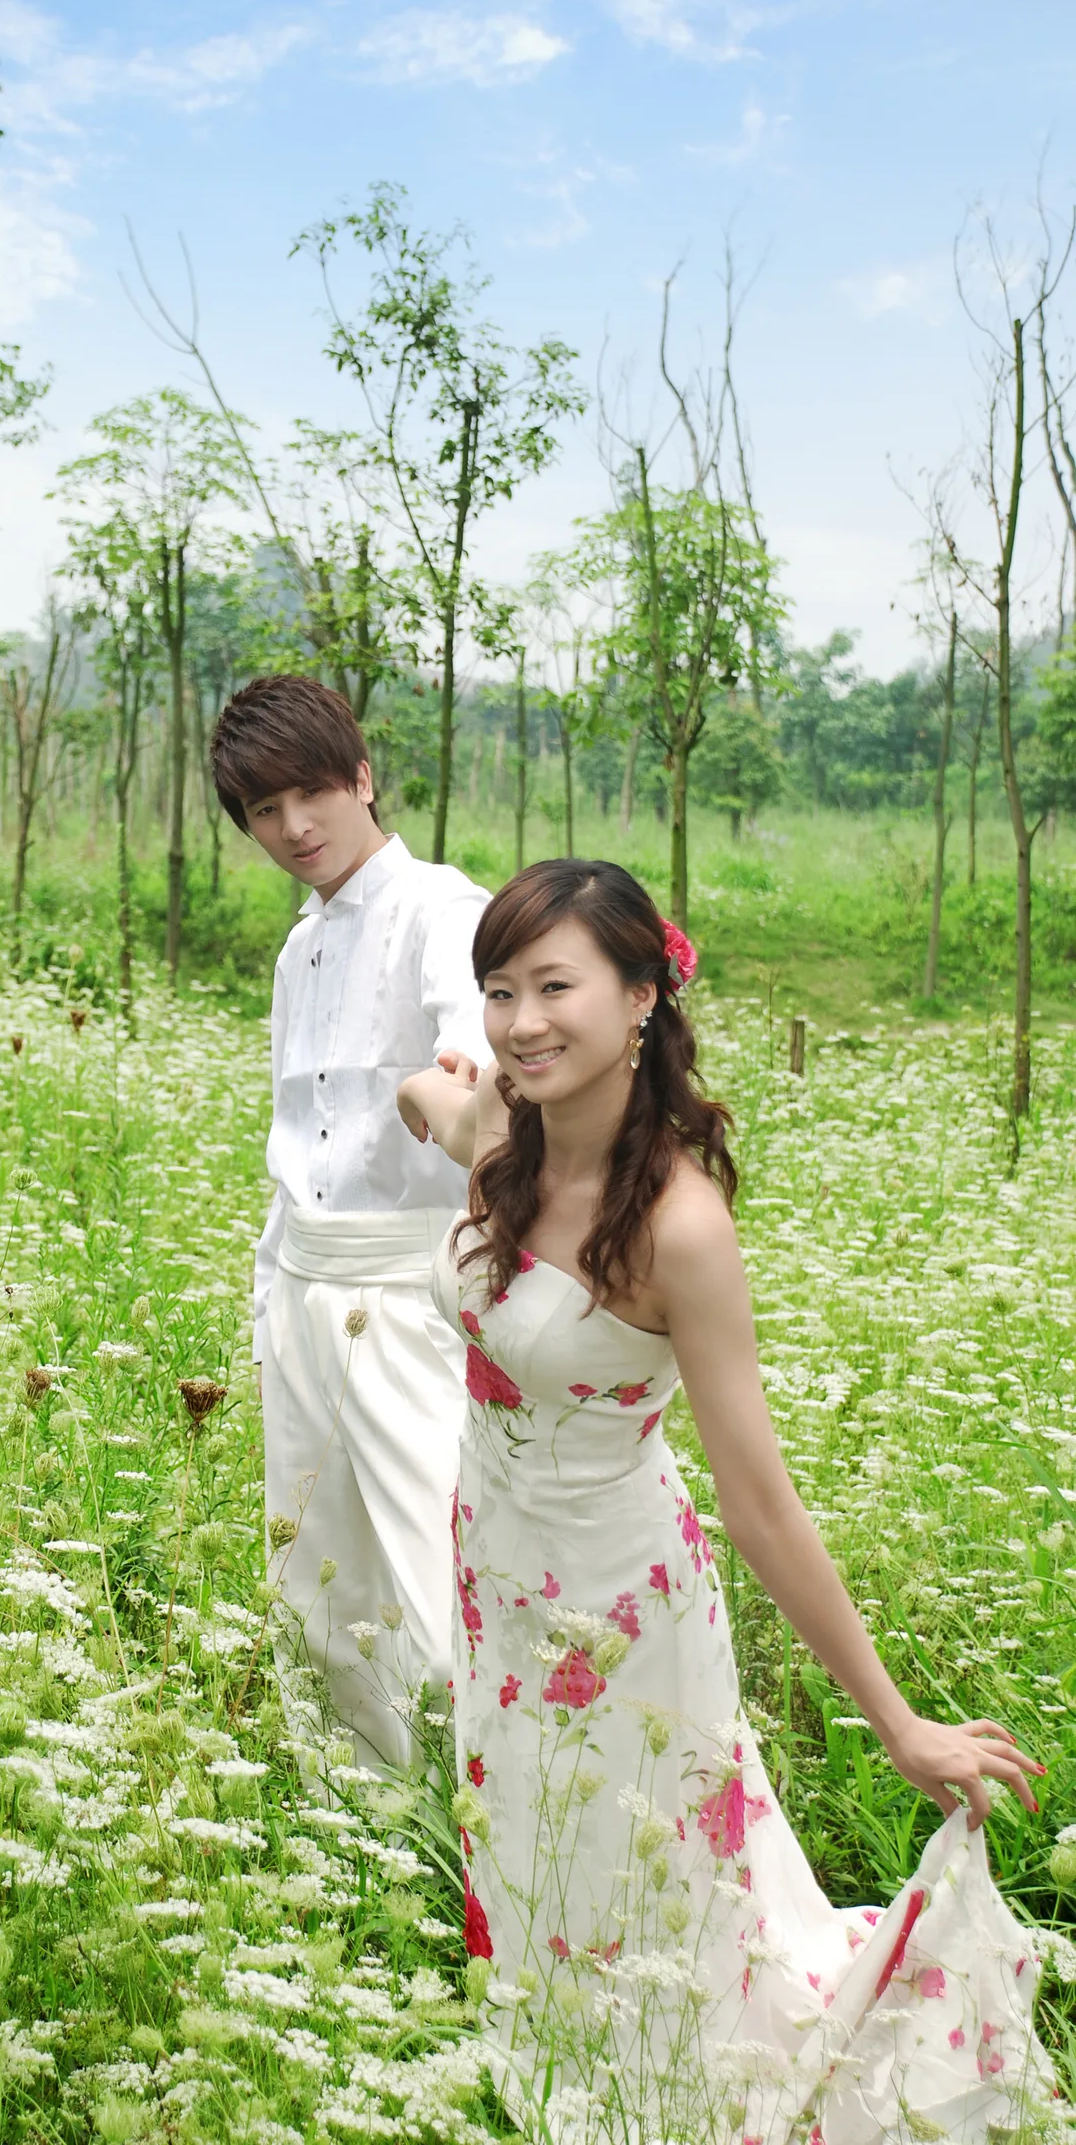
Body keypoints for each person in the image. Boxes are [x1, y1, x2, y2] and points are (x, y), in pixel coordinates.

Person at [396, 858, 1065, 2145]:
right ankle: (560, 2085)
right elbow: (435, 1102)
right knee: (530, 1845)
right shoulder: (507, 1135)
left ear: (642, 996)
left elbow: (760, 1507)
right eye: (499, 990)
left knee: (647, 1888)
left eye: (555, 987)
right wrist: (426, 1093)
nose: (521, 1022)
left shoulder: (679, 1228)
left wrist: (899, 1724)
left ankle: (667, 2107)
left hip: (618, 1607)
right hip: (495, 1575)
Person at [209, 674, 490, 1770]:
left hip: (411, 1294)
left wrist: (455, 1078)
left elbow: (482, 1061)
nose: (294, 828)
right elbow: (296, 1145)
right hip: (305, 1288)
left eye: (310, 794)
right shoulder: (300, 947)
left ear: (363, 779)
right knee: (319, 1577)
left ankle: (493, 1820)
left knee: (442, 1580)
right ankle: (356, 1816)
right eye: (264, 811)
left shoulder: (441, 909)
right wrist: (267, 1306)